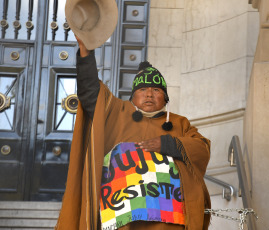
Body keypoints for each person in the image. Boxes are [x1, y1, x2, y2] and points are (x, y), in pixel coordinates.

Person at [55, 37, 211, 230]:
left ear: (165, 98)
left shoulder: (180, 123)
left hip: (165, 222)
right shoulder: (116, 111)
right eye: (143, 89)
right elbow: (90, 92)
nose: (149, 94)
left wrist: (167, 144)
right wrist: (85, 52)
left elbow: (202, 148)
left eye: (156, 89)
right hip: (123, 219)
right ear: (133, 97)